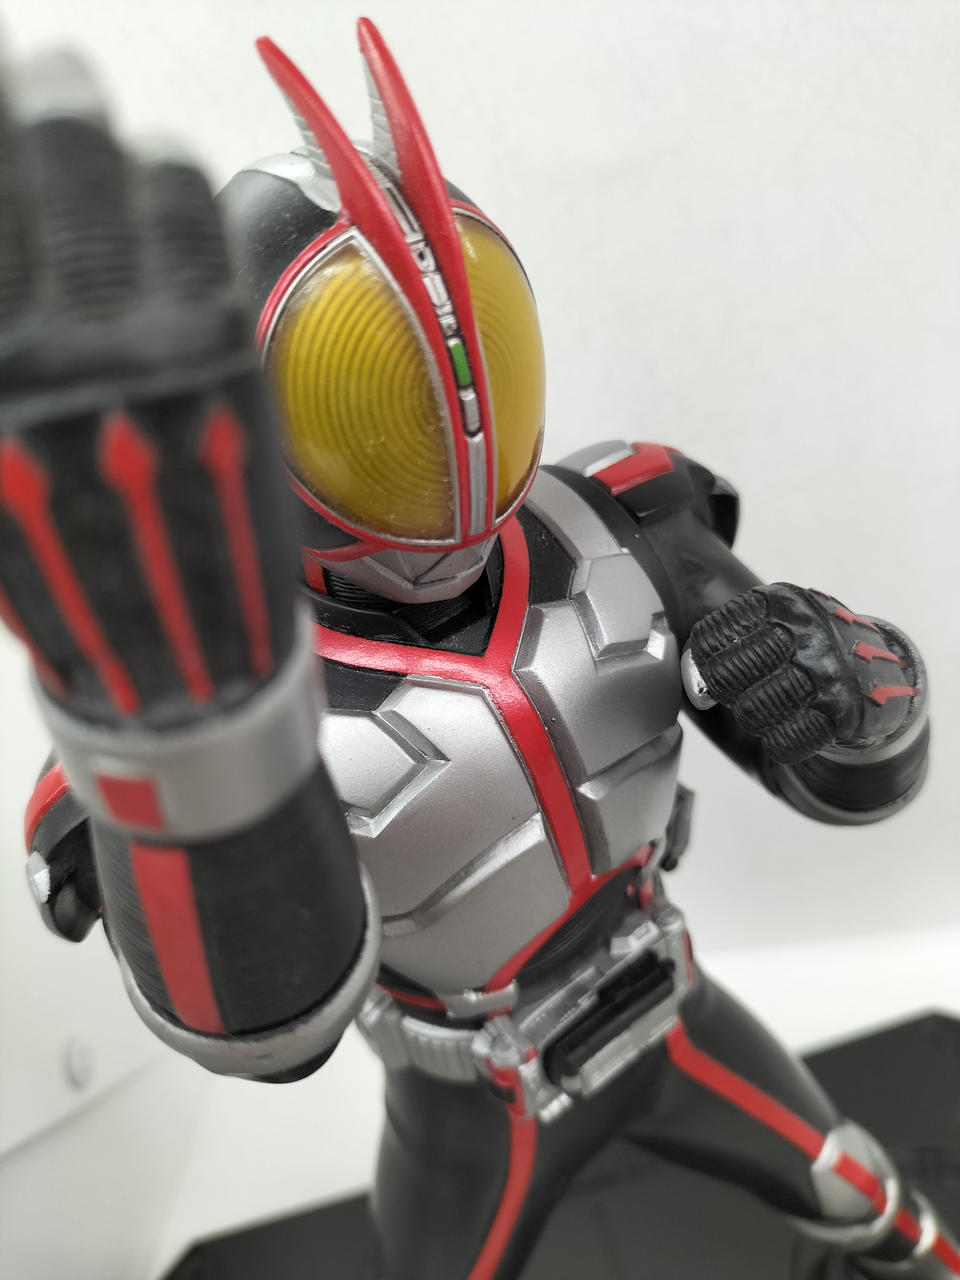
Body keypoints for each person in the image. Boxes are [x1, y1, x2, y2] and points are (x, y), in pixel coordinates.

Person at [3, 21, 953, 1279]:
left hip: (666, 995)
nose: (444, 433)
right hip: (472, 1095)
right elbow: (271, 1030)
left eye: (477, 356)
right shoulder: (239, 700)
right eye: (366, 395)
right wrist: (190, 756)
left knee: (858, 1186)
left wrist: (851, 681)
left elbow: (853, 773)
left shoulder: (625, 520)